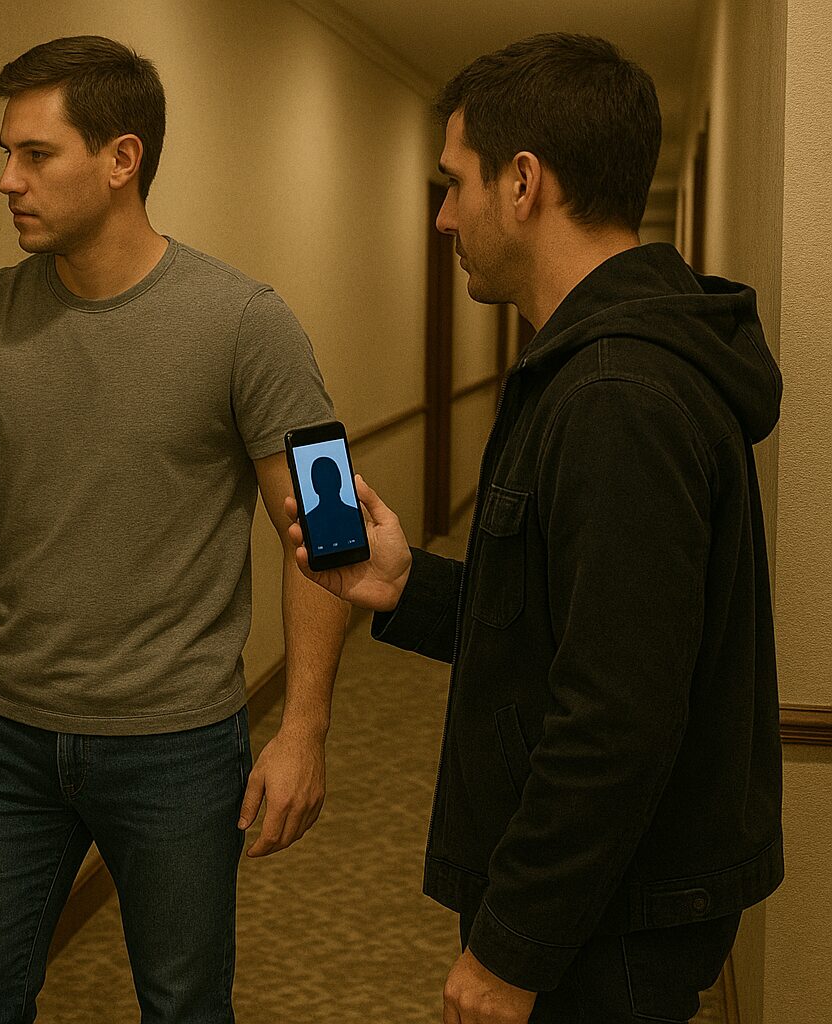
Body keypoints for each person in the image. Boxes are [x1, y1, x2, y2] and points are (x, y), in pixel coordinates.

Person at [0, 35, 346, 1023]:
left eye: (35, 155)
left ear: (122, 160)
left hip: (179, 742)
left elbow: (325, 523)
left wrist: (304, 727)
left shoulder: (246, 322)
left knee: (184, 1003)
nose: (5, 180)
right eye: (6, 152)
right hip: (7, 736)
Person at [285, 34, 783, 1024]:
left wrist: (514, 944)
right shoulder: (596, 370)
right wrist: (403, 584)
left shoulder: (616, 394)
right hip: (608, 904)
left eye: (452, 183)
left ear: (523, 183)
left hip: (608, 927)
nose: (441, 216)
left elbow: (615, 715)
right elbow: (572, 628)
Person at [302, 456, 364, 552]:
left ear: (315, 486)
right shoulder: (355, 515)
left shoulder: (309, 521)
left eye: (329, 477)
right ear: (339, 481)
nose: (327, 484)